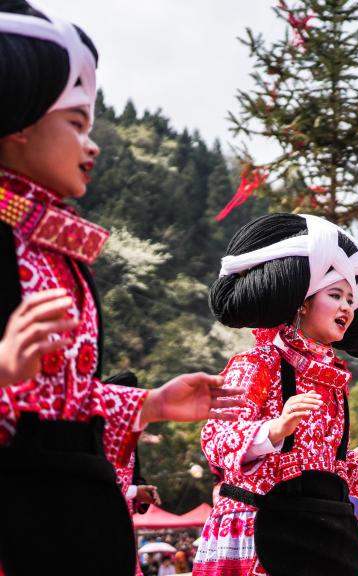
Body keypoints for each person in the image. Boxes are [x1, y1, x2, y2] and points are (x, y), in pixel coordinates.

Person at [0, 4, 241, 574]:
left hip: (74, 517)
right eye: (76, 123)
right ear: (19, 122)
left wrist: (151, 404)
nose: (93, 145)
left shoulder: (55, 249)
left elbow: (63, 406)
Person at [193, 214, 358, 576]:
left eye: (350, 300)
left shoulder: (333, 383)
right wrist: (274, 430)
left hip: (322, 532)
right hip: (261, 532)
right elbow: (216, 439)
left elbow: (333, 467)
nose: (346, 308)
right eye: (335, 295)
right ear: (303, 303)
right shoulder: (257, 363)